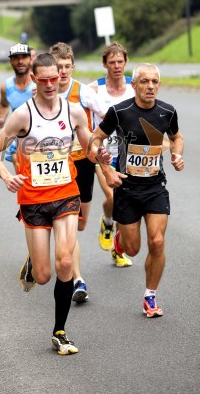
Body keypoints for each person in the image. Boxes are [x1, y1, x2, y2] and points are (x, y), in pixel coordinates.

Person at [0, 53, 113, 355]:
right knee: (44, 276)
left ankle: (60, 331)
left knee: (66, 262)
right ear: (33, 79)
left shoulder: (74, 112)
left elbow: (89, 149)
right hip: (33, 200)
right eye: (41, 79)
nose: (48, 84)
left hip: (66, 194)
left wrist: (102, 157)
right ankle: (33, 263)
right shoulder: (22, 115)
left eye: (53, 78)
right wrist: (7, 176)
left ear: (61, 76)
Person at [92, 63, 184, 318]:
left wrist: (177, 155)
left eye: (155, 82)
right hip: (127, 189)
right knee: (133, 249)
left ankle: (150, 296)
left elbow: (177, 137)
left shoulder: (167, 111)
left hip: (155, 187)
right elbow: (94, 140)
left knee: (157, 241)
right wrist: (107, 169)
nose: (150, 86)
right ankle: (120, 241)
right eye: (144, 82)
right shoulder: (119, 112)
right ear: (134, 85)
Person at [49, 42, 107, 303]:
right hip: (58, 168)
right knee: (68, 221)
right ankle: (78, 279)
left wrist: (97, 140)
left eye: (66, 66)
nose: (62, 72)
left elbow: (106, 116)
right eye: (57, 67)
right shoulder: (45, 93)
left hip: (83, 162)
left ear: (73, 66)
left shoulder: (82, 92)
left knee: (81, 223)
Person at [89, 42, 134, 267]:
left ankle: (118, 251)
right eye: (112, 62)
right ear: (105, 64)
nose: (117, 66)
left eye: (120, 61)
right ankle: (107, 222)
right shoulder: (94, 89)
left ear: (125, 62)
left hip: (129, 155)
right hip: (104, 155)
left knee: (126, 203)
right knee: (113, 198)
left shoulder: (135, 87)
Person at [0, 43, 35, 166]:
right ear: (10, 61)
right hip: (18, 137)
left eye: (24, 57)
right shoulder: (6, 86)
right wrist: (2, 119)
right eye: (16, 58)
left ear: (30, 59)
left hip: (39, 137)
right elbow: (4, 105)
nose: (20, 61)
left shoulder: (40, 83)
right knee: (21, 174)